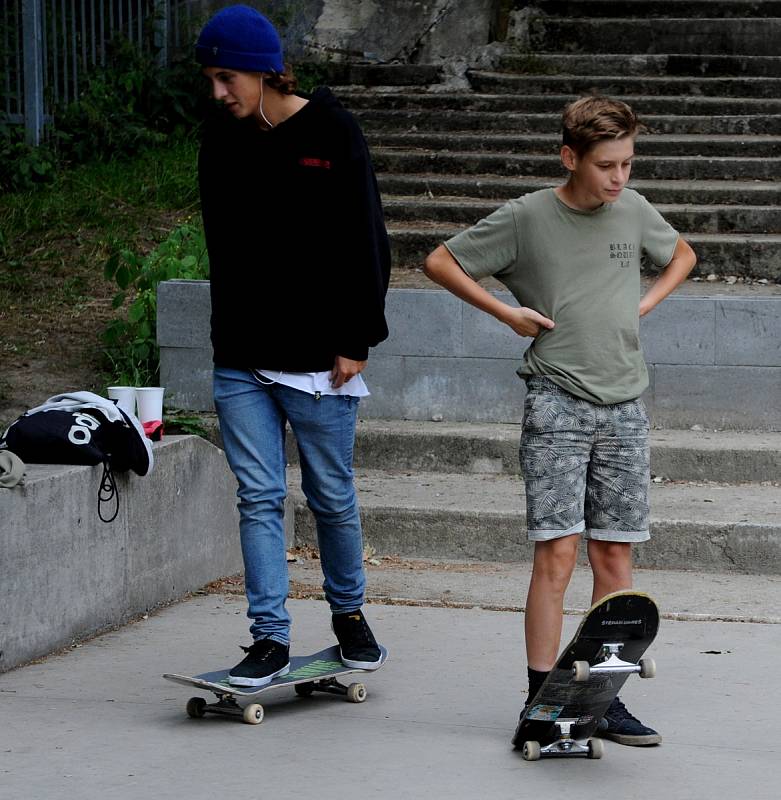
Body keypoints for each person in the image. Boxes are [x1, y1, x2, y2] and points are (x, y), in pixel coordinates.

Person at [423, 95, 696, 747]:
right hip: (556, 400)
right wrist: (504, 312)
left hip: (625, 405)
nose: (619, 179)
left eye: (628, 164)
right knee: (556, 554)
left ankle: (603, 697)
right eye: (606, 165)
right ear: (569, 157)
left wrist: (644, 304)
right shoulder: (525, 218)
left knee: (614, 555)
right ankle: (539, 702)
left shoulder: (631, 209)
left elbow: (680, 253)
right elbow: (439, 260)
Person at [194, 5, 390, 687]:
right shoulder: (220, 138)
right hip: (242, 356)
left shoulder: (332, 132)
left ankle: (348, 615)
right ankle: (269, 639)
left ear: (263, 68)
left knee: (331, 497)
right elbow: (228, 245)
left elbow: (366, 240)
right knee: (257, 497)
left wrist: (355, 336)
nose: (218, 93)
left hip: (321, 357)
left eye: (226, 78)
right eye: (211, 80)